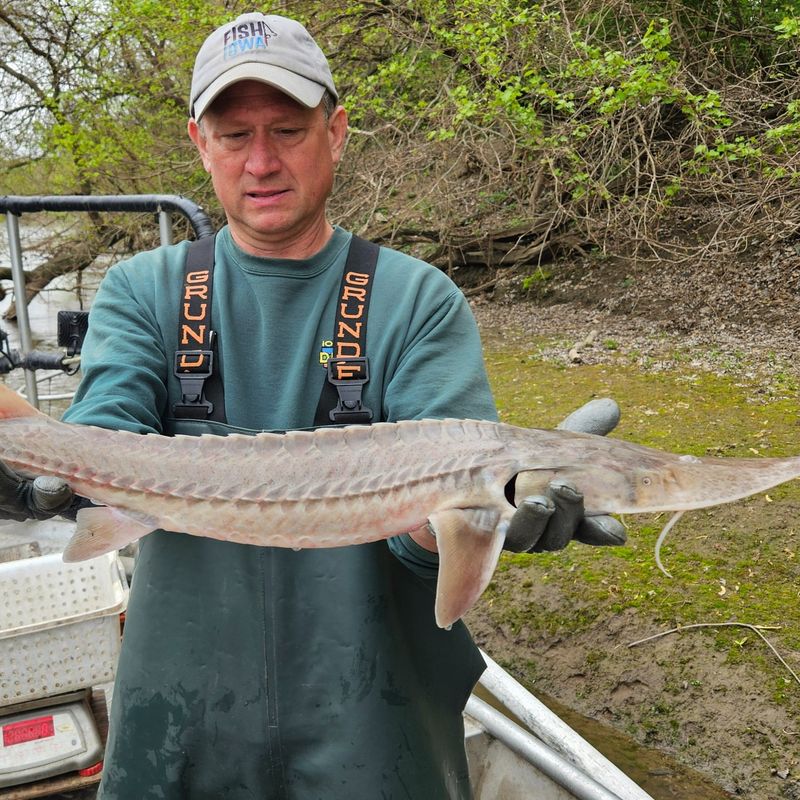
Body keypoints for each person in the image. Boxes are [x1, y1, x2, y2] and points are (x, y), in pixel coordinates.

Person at [0, 13, 625, 799]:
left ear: (336, 131)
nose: (261, 162)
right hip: (180, 718)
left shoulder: (416, 299)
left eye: (288, 130)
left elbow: (421, 549)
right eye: (235, 136)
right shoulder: (142, 290)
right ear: (200, 143)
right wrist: (38, 481)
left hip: (375, 716)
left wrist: (478, 517)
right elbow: (103, 446)